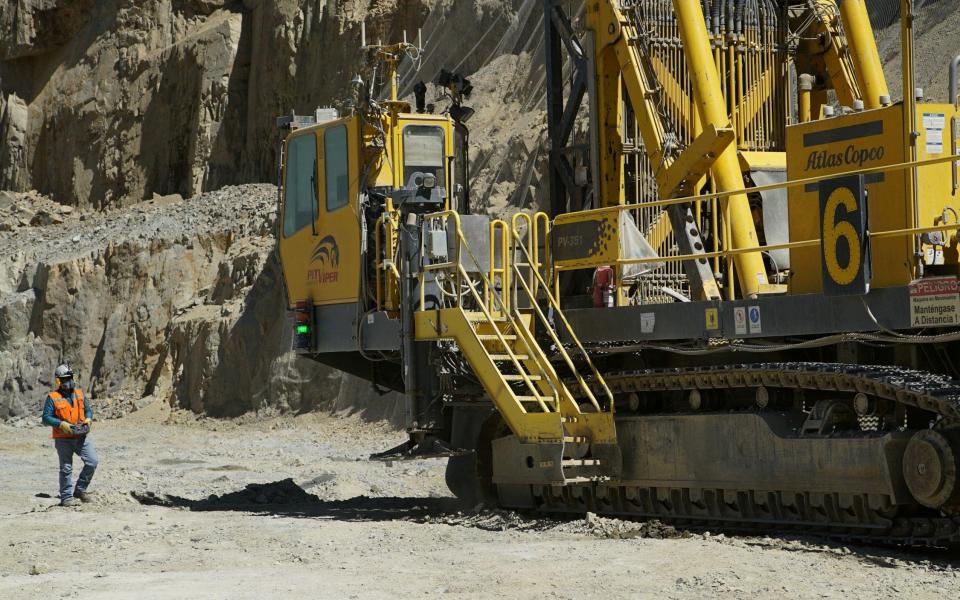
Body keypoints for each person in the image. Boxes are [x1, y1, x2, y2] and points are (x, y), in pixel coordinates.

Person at [41, 364, 98, 507]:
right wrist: (61, 424)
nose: (67, 381)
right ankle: (66, 498)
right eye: (64, 379)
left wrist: (88, 419)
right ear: (58, 381)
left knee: (92, 461)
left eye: (69, 378)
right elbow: (45, 418)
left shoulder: (79, 393)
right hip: (63, 439)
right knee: (66, 468)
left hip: (81, 436)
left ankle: (80, 490)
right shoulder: (53, 397)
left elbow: (88, 410)